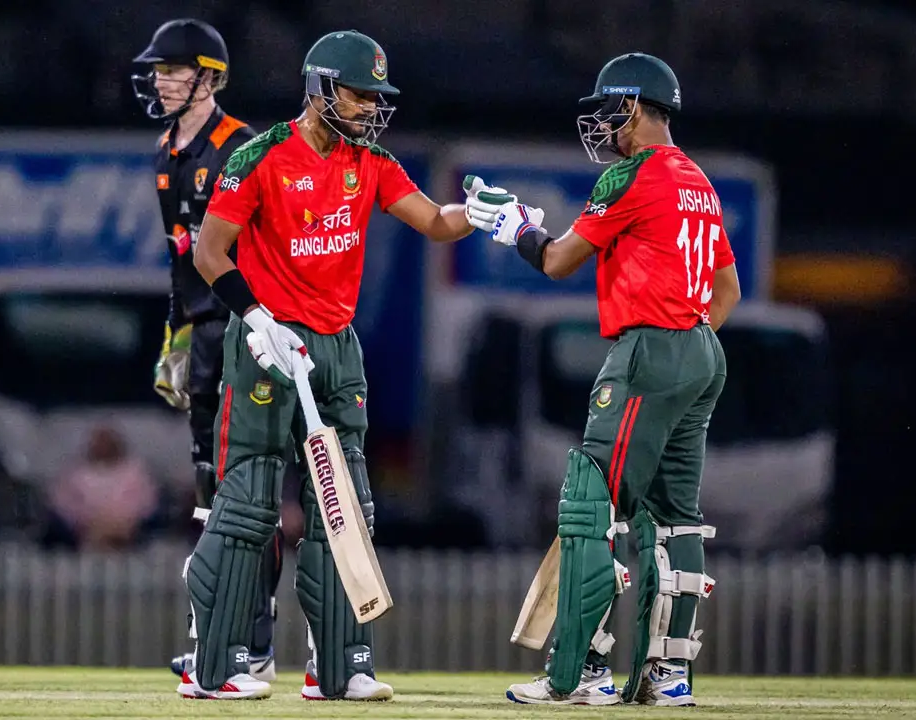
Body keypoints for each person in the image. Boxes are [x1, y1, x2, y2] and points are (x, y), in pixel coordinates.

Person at [186, 29, 512, 700]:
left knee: (348, 508)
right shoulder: (260, 156)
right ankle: (215, 667)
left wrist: (474, 214)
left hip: (336, 346)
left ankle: (339, 668)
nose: (370, 108)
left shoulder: (372, 162)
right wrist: (256, 318)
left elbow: (434, 221)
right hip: (266, 343)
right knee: (248, 504)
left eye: (374, 97)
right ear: (320, 89)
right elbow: (209, 252)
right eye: (359, 95)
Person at [487, 53, 742, 707]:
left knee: (590, 505)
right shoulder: (698, 181)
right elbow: (727, 290)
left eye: (609, 110)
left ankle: (579, 672)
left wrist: (517, 229)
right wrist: (686, 341)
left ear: (634, 105)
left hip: (648, 351)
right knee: (676, 519)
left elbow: (557, 261)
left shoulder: (630, 175)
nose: (602, 124)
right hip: (701, 350)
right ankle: (669, 675)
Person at [129, 18, 282, 683]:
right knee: (207, 491)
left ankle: (256, 640)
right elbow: (180, 259)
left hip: (247, 334)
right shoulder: (165, 151)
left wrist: (263, 325)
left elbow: (265, 248)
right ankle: (218, 634)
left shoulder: (240, 147)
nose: (160, 81)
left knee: (247, 491)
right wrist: (176, 336)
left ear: (210, 78)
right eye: (158, 70)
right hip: (203, 336)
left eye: (173, 70)